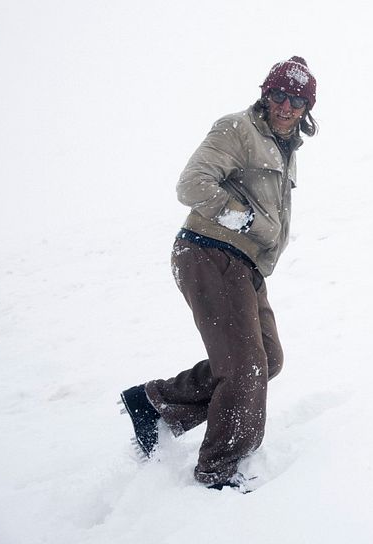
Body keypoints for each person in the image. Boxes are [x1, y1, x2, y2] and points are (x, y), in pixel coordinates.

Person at [119, 55, 318, 491]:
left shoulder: (285, 150)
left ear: (307, 109)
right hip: (209, 251)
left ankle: (156, 402)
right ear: (265, 95)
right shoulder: (238, 129)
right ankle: (220, 470)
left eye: (297, 100)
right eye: (278, 95)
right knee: (246, 366)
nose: (286, 106)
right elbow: (191, 184)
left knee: (268, 359)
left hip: (243, 265)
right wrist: (242, 220)